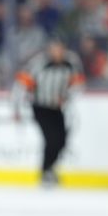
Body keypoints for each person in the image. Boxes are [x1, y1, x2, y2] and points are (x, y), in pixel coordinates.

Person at [14, 39, 85, 186]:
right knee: (51, 139)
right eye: (54, 49)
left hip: (57, 108)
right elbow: (21, 84)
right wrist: (17, 108)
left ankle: (50, 169)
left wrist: (67, 96)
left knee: (62, 140)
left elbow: (79, 85)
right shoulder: (39, 64)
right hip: (40, 107)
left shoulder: (71, 63)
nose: (57, 52)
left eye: (60, 49)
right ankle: (46, 171)